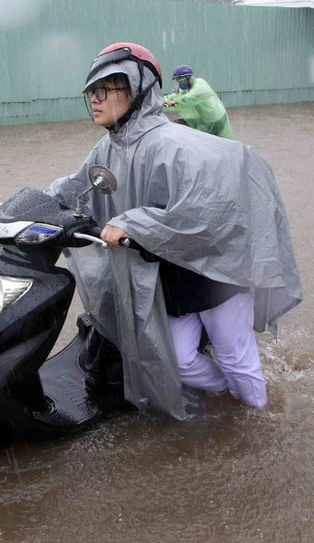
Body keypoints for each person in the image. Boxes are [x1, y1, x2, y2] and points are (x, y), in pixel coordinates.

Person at [46, 42, 301, 419]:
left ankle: (258, 420)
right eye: (91, 93)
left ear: (137, 89)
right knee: (177, 360)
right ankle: (229, 395)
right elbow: (77, 186)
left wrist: (131, 223)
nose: (95, 101)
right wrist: (36, 206)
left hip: (216, 273)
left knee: (234, 352)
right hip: (165, 275)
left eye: (105, 90)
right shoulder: (107, 148)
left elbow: (206, 211)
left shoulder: (176, 144)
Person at [163, 65, 236, 140]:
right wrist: (162, 99)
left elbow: (184, 100)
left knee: (217, 143)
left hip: (216, 119)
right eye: (178, 81)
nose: (180, 84)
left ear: (188, 78)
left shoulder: (199, 87)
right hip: (206, 119)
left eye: (181, 81)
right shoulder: (189, 86)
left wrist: (168, 103)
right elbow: (176, 95)